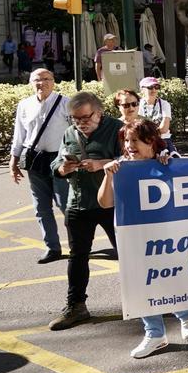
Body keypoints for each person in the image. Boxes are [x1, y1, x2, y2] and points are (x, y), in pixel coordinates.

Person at [96, 119, 188, 358]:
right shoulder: (120, 168)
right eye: (127, 141)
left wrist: (169, 165)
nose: (130, 146)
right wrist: (108, 176)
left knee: (169, 279)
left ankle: (186, 314)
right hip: (134, 238)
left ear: (151, 142)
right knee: (140, 285)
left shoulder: (168, 161)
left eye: (135, 141)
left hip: (166, 238)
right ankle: (155, 333)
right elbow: (104, 203)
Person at [48, 92, 123, 330]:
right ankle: (76, 306)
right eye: (75, 118)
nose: (80, 123)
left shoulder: (117, 129)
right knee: (78, 256)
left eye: (85, 117)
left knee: (127, 253)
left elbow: (132, 158)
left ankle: (147, 299)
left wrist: (101, 164)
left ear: (99, 112)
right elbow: (56, 162)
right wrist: (63, 168)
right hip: (78, 202)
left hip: (112, 202)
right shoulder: (70, 133)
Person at [9, 69, 70, 263]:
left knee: (65, 204)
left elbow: (76, 132)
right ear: (30, 83)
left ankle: (78, 245)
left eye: (46, 79)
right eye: (36, 79)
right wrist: (14, 160)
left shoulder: (66, 103)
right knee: (41, 207)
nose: (41, 83)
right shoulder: (24, 105)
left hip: (60, 160)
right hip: (35, 160)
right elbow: (19, 135)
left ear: (53, 81)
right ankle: (52, 248)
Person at [137, 77, 176, 156]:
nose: (154, 90)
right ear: (142, 89)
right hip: (143, 142)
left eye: (156, 87)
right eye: (150, 87)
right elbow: (136, 128)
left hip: (163, 141)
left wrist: (146, 132)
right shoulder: (137, 105)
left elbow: (164, 129)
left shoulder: (164, 104)